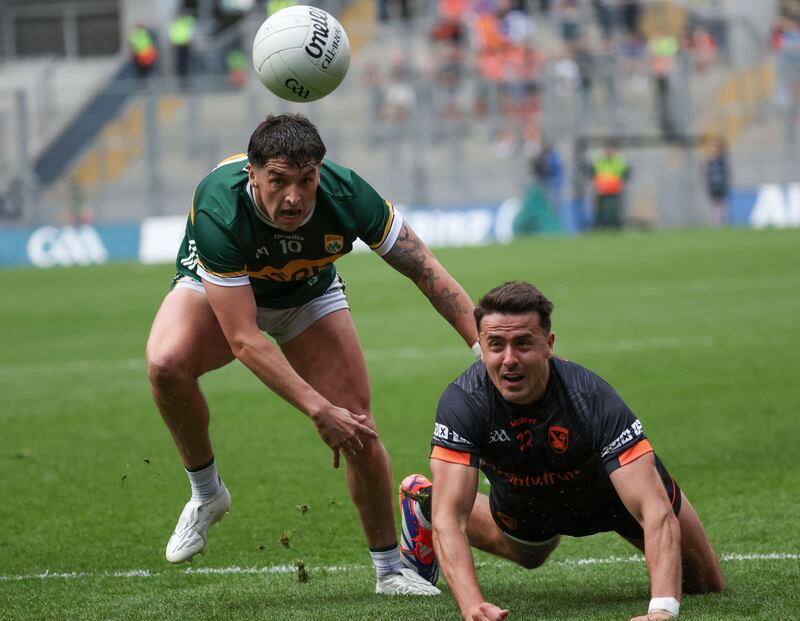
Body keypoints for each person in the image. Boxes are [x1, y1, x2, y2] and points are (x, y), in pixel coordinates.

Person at [145, 114, 480, 595]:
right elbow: (244, 339)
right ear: (253, 175)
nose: (294, 198)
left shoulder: (348, 195)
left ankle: (389, 571)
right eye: (278, 181)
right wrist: (319, 410)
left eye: (306, 181)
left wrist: (481, 349)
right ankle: (206, 493)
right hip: (222, 292)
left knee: (359, 425)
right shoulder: (219, 206)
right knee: (165, 364)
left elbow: (426, 269)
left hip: (307, 296)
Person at [398, 282, 724, 620]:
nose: (509, 359)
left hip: (615, 500)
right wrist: (472, 605)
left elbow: (654, 509)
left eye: (523, 343)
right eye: (496, 345)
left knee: (705, 583)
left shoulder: (591, 397)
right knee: (529, 555)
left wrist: (662, 610)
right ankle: (423, 501)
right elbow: (451, 517)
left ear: (548, 345)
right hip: (527, 499)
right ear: (481, 345)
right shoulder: (463, 402)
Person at [703, 136, 730, 227]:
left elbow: (724, 173)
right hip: (713, 186)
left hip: (721, 185)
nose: (713, 150)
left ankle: (724, 221)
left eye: (714, 147)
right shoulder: (709, 161)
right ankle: (716, 222)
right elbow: (707, 174)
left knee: (722, 204)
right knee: (714, 204)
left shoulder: (721, 160)